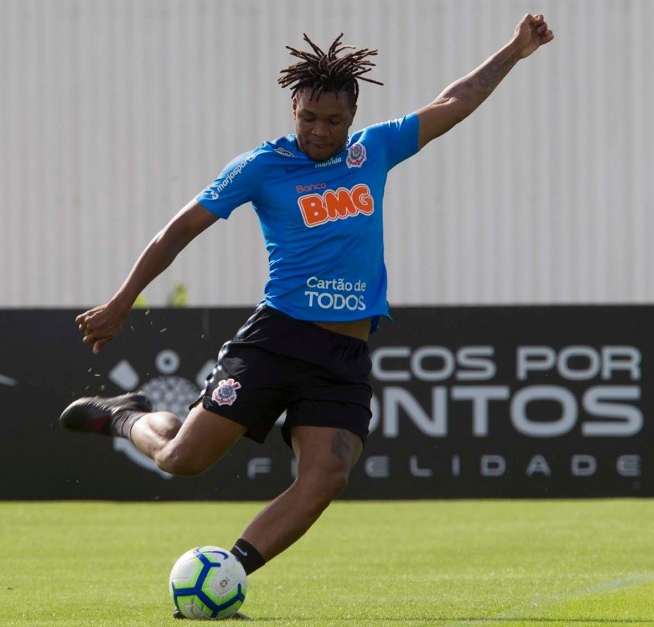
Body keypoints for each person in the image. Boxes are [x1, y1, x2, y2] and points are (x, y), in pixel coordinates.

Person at [60, 14, 553, 619]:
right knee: (183, 462)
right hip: (277, 338)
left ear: (352, 115)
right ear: (293, 107)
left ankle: (227, 574)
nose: (321, 132)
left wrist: (513, 51)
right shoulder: (261, 167)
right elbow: (178, 230)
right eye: (309, 118)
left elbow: (456, 99)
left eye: (335, 120)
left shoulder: (375, 149)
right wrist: (121, 302)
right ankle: (124, 415)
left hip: (343, 356)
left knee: (327, 476)